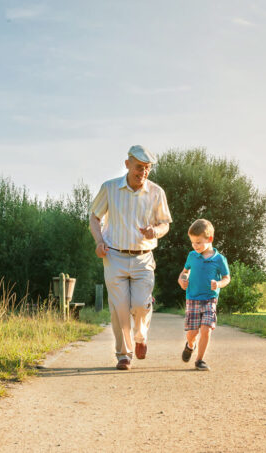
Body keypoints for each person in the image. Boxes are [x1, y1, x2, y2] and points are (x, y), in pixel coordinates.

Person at [89, 145, 172, 370]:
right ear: (127, 164)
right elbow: (94, 217)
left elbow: (165, 223)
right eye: (139, 167)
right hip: (114, 255)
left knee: (140, 305)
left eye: (147, 169)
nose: (143, 173)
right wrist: (99, 242)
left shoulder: (156, 192)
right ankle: (124, 355)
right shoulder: (109, 188)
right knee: (120, 308)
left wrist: (156, 231)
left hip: (143, 258)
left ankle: (141, 337)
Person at [178, 219, 230, 371]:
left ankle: (199, 360)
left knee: (206, 329)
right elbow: (184, 272)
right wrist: (182, 280)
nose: (195, 246)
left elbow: (227, 278)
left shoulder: (219, 259)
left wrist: (219, 284)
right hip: (193, 298)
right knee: (192, 333)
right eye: (193, 242)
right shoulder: (192, 256)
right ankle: (190, 345)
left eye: (199, 242)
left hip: (210, 299)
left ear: (210, 239)